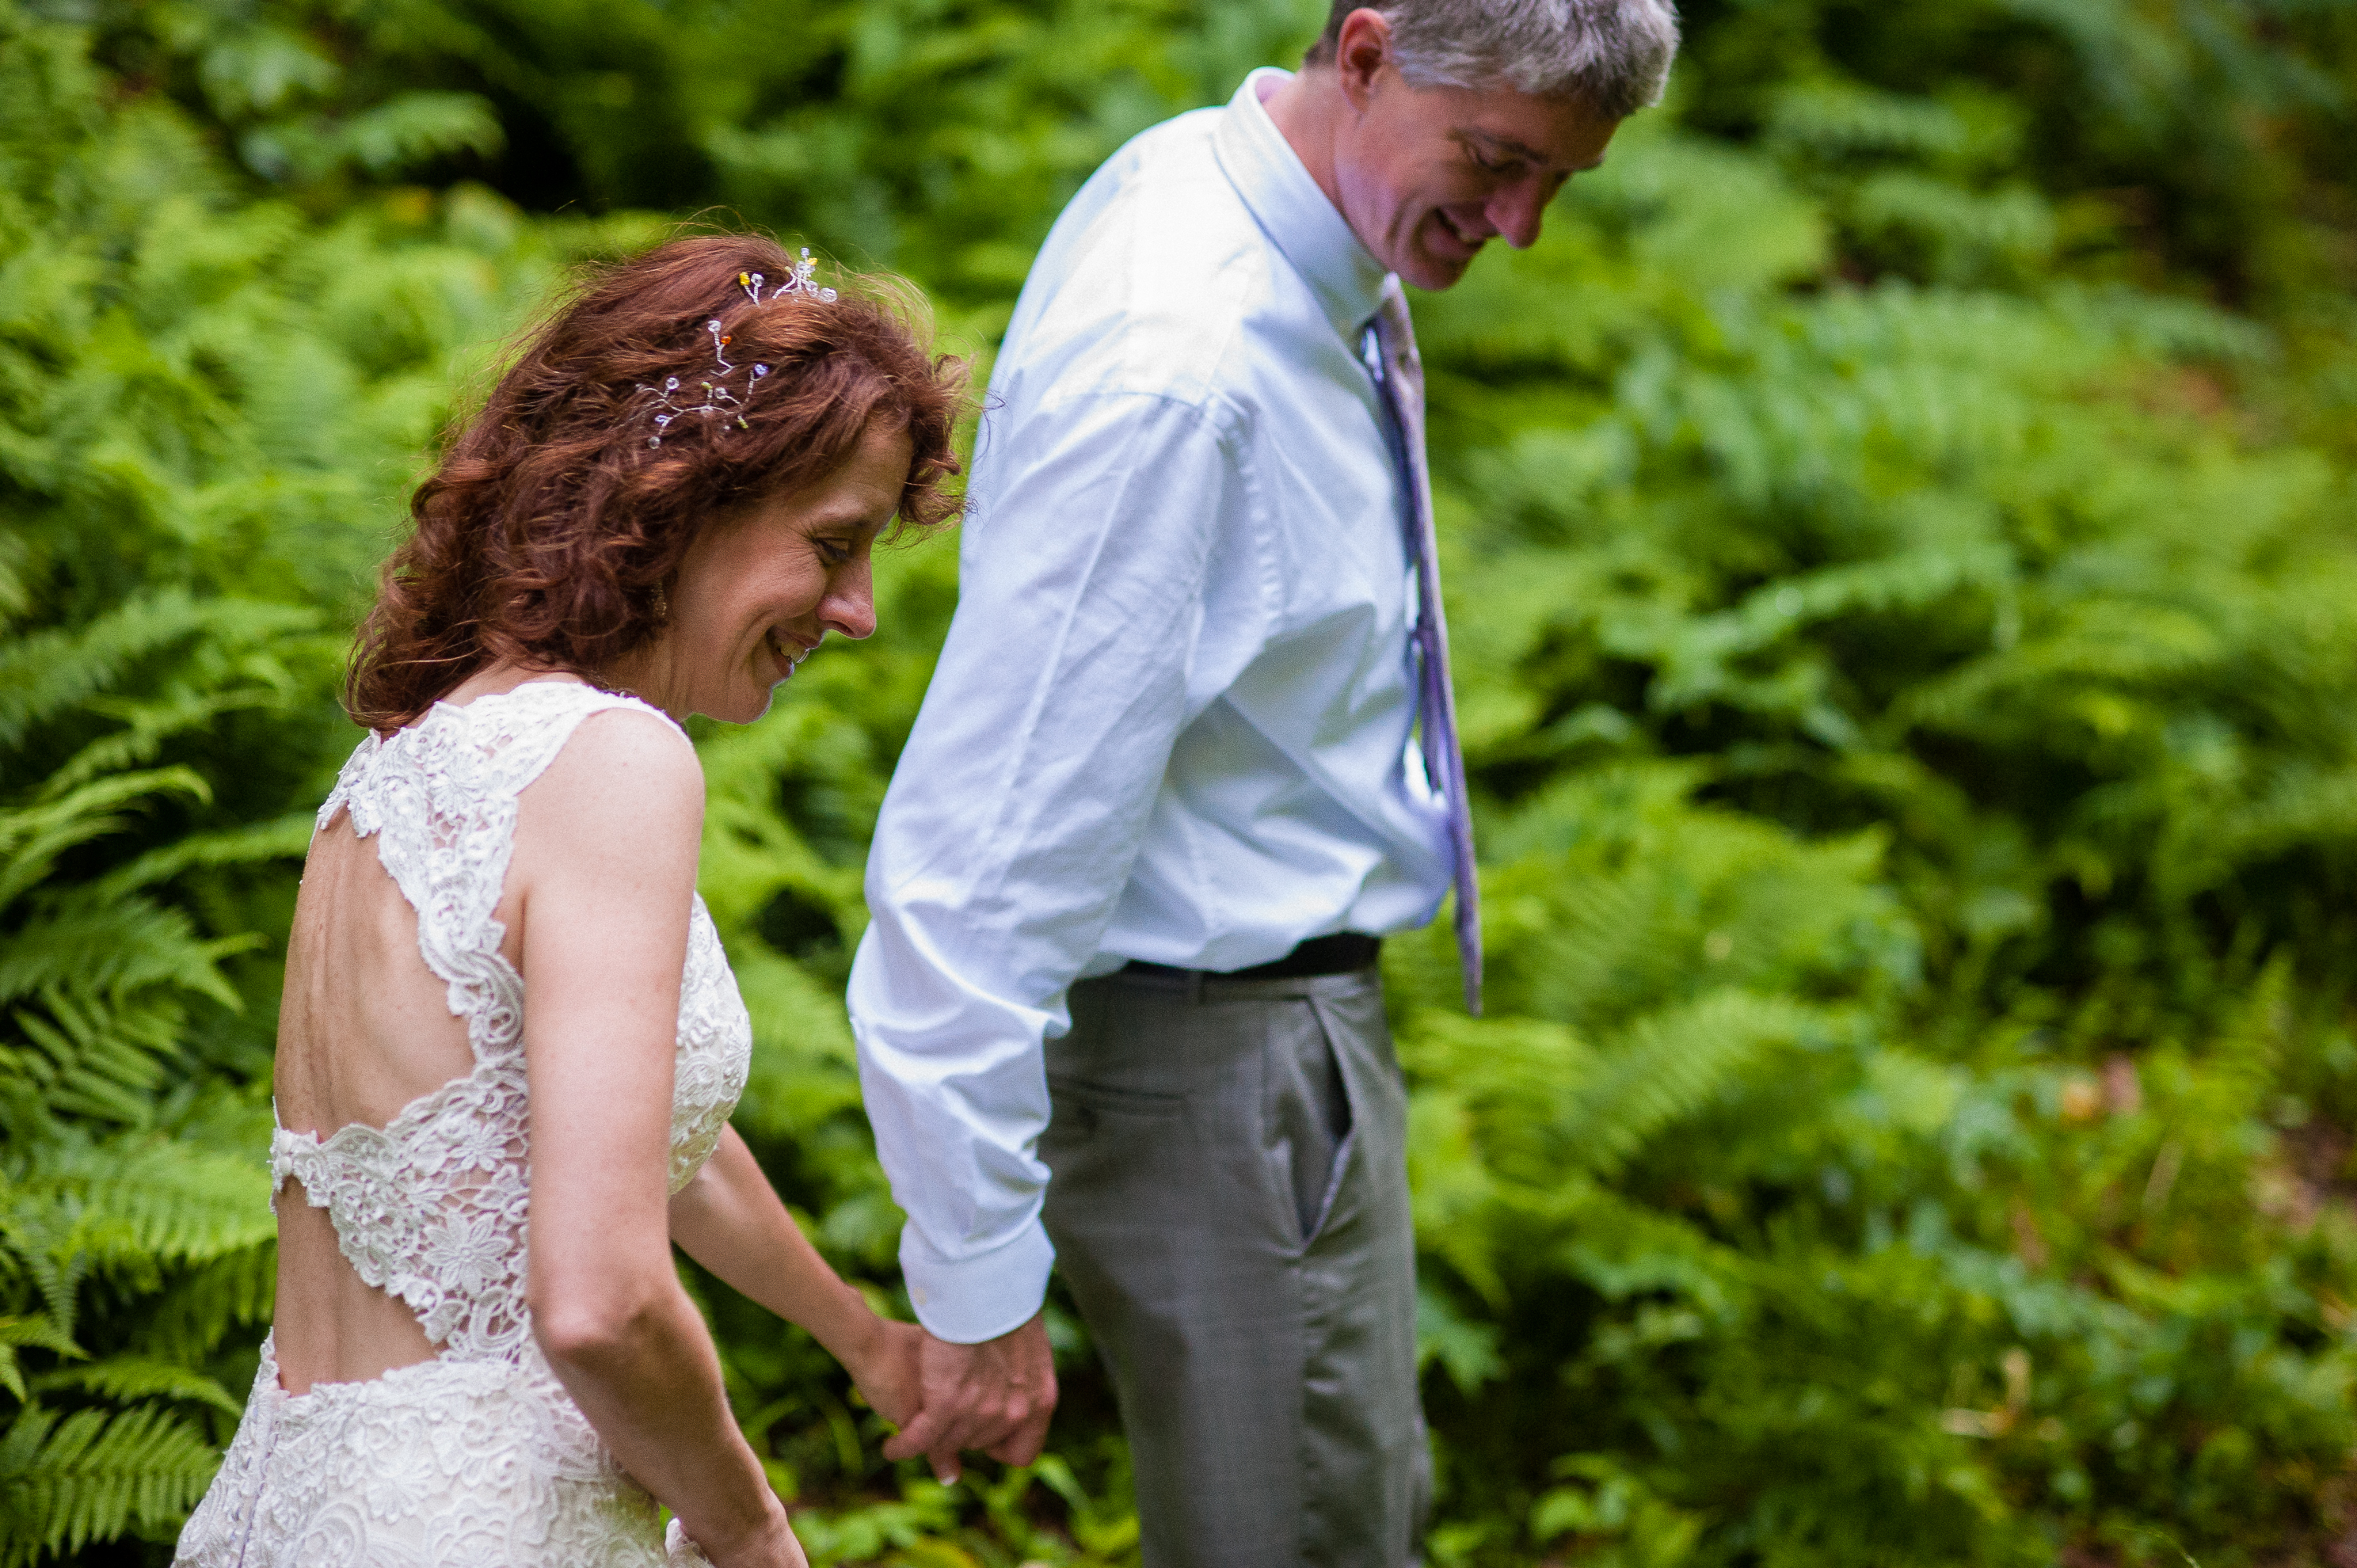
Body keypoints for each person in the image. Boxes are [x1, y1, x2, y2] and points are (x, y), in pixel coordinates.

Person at [847, 2, 1679, 1561]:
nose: (1523, 227)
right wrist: (974, 1280)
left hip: (1266, 1051)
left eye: (1561, 181)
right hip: (1221, 1074)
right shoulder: (1184, 367)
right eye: (1497, 162)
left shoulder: (1255, 205)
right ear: (1362, 54)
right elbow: (980, 853)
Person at [173, 235, 968, 1568]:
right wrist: (750, 1528)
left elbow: (646, 1135)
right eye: (832, 545)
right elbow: (597, 1301)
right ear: (682, 496)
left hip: (294, 1506)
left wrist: (865, 1341)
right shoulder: (612, 766)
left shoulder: (405, 763)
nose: (859, 611)